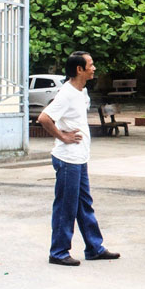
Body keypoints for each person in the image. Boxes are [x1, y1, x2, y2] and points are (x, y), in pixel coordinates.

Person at [38, 51, 120, 266]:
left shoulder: (81, 91)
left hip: (79, 158)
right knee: (66, 207)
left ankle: (94, 247)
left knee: (84, 205)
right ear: (79, 69)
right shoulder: (66, 93)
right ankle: (58, 252)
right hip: (67, 160)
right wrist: (62, 136)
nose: (94, 68)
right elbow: (44, 118)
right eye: (90, 65)